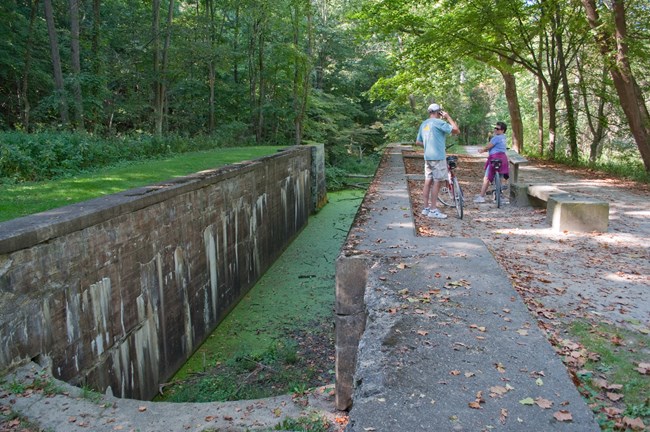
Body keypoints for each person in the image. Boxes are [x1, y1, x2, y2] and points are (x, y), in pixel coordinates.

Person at [416, 103, 460, 219]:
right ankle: (434, 209)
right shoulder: (440, 122)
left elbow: (418, 142)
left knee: (428, 181)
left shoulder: (424, 124)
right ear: (439, 112)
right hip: (438, 157)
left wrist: (428, 145)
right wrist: (448, 117)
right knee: (437, 182)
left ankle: (426, 208)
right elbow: (456, 130)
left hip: (428, 157)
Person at [474, 121, 510, 203]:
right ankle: (498, 196)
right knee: (500, 178)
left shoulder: (496, 138)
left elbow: (488, 146)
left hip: (494, 159)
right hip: (503, 159)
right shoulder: (504, 137)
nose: (495, 130)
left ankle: (481, 197)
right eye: (495, 128)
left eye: (498, 129)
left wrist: (482, 150)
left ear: (502, 130)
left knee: (487, 178)